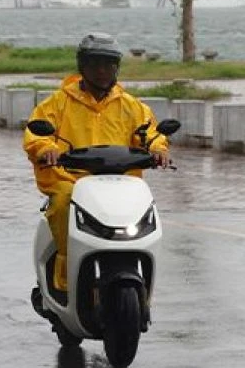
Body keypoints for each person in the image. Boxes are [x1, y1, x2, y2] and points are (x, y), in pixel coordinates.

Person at [24, 33, 169, 292]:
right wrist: (47, 148)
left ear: (117, 68)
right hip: (71, 181)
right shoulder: (57, 103)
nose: (102, 71)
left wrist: (158, 149)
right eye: (95, 65)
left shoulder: (131, 106)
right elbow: (36, 134)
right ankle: (66, 277)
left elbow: (150, 133)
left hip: (120, 183)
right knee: (62, 203)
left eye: (109, 65)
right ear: (83, 67)